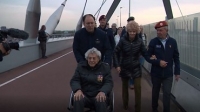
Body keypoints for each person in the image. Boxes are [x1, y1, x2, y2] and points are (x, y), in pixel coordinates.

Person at [113, 21, 155, 112]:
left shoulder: (139, 41)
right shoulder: (123, 40)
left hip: (136, 67)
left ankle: (138, 109)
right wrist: (117, 65)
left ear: (136, 31)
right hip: (124, 66)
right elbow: (115, 52)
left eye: (134, 31)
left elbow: (145, 53)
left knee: (138, 88)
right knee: (124, 87)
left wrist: (151, 58)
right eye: (130, 31)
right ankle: (125, 105)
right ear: (128, 31)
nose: (132, 33)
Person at [147, 21, 180, 112]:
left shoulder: (172, 42)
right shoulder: (153, 42)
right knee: (155, 92)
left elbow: (176, 57)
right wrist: (158, 62)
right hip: (156, 73)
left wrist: (177, 72)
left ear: (166, 30)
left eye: (160, 30)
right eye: (157, 30)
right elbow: (147, 56)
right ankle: (154, 108)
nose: (158, 32)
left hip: (168, 74)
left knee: (167, 93)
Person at [70, 47, 113, 112]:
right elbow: (75, 80)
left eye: (94, 58)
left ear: (98, 58)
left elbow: (109, 82)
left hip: (98, 94)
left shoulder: (105, 68)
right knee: (78, 98)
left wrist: (103, 91)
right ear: (87, 59)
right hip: (84, 95)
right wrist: (77, 90)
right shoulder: (80, 67)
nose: (91, 60)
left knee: (101, 99)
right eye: (89, 58)